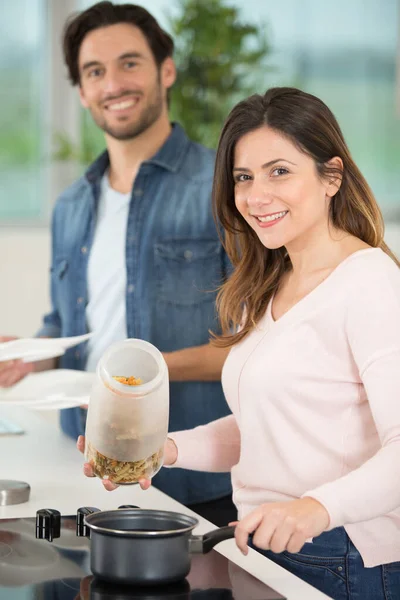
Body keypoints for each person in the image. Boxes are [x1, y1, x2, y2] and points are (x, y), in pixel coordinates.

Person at [81, 87, 400, 599]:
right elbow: (265, 427)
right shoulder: (270, 285)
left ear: (331, 177)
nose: (256, 196)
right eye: (243, 177)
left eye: (280, 171)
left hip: (344, 555)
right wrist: (161, 450)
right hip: (262, 543)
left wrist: (314, 508)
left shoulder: (370, 284)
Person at [0, 1, 235, 525]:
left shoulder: (224, 187)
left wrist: (127, 383)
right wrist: (28, 356)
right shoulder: (71, 206)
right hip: (84, 466)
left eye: (130, 63)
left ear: (165, 69)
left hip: (193, 484)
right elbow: (67, 325)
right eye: (95, 71)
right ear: (82, 91)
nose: (113, 84)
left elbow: (254, 344)